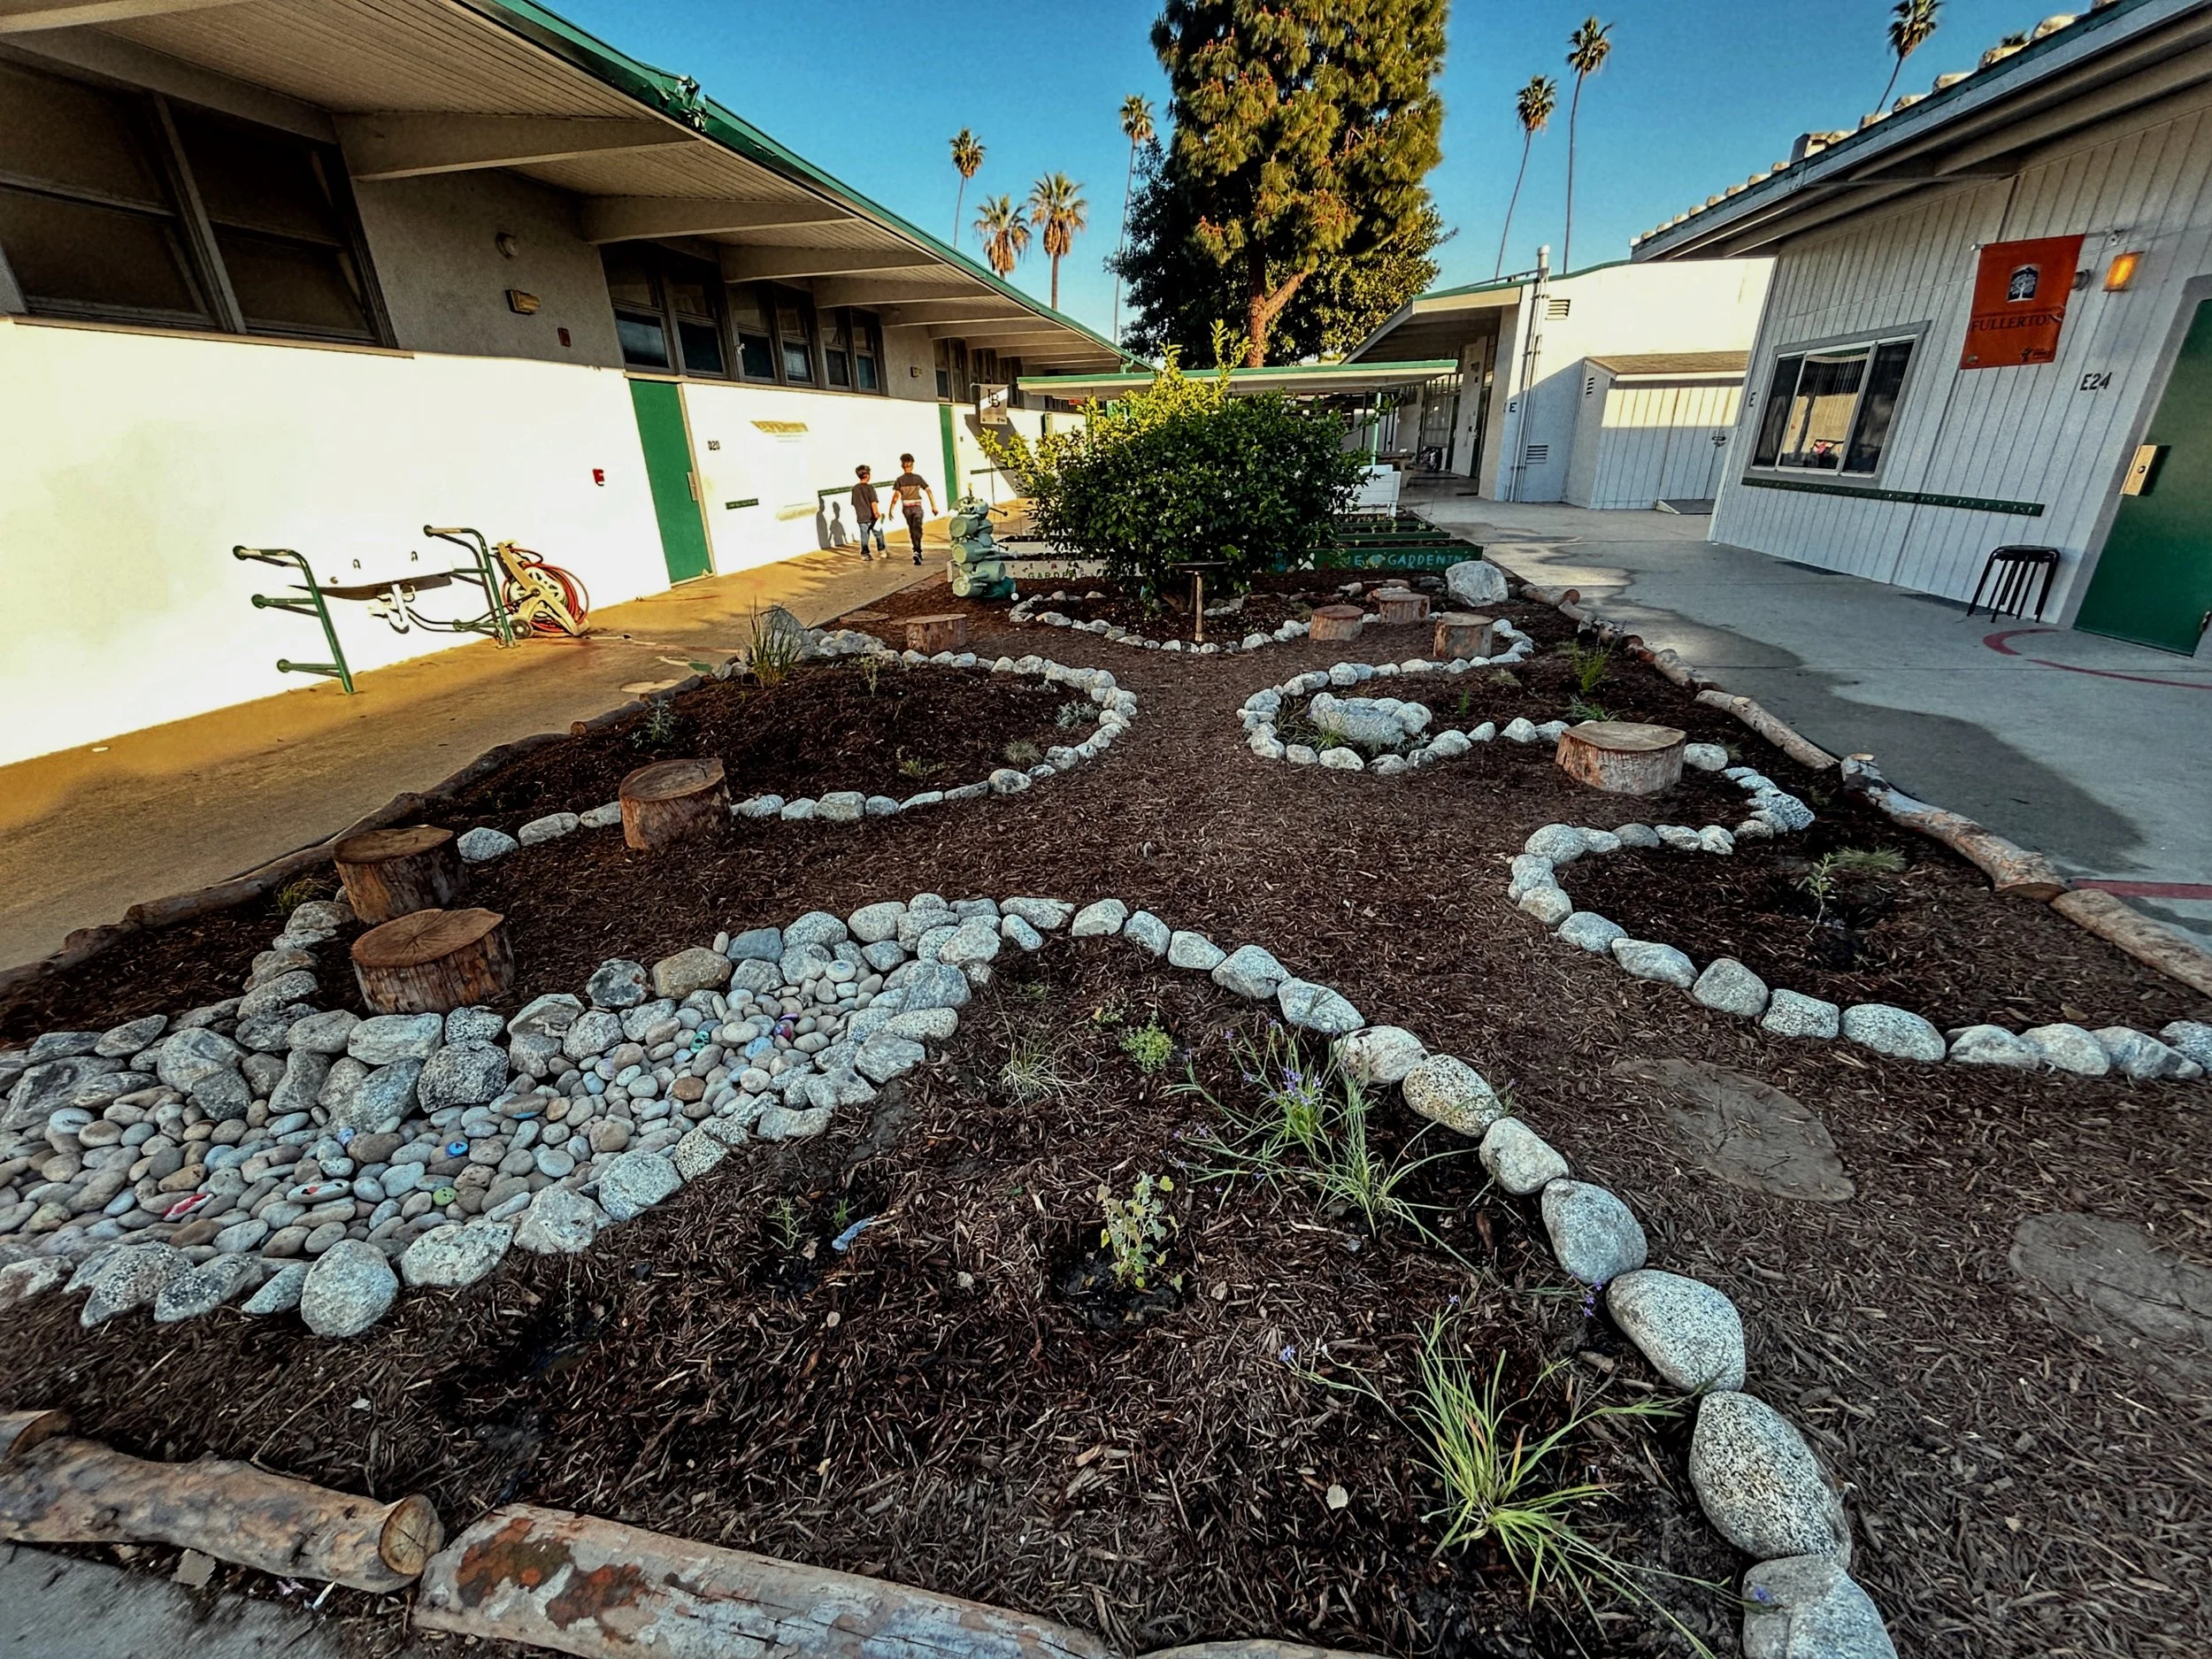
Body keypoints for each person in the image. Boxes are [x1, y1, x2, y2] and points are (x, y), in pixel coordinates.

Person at [887, 452, 938, 565]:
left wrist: (890, 509)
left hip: (906, 508)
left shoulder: (899, 480)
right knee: (918, 529)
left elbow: (896, 496)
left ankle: (916, 550)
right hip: (917, 507)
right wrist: (934, 506)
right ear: (912, 465)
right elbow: (928, 491)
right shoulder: (918, 478)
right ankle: (917, 550)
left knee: (912, 529)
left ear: (902, 466)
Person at [849, 465, 885, 559]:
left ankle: (865, 554)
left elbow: (854, 503)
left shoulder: (855, 489)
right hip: (871, 517)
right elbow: (873, 501)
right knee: (879, 533)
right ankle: (882, 551)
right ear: (867, 475)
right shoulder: (870, 488)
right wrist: (876, 512)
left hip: (861, 517)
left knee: (864, 535)